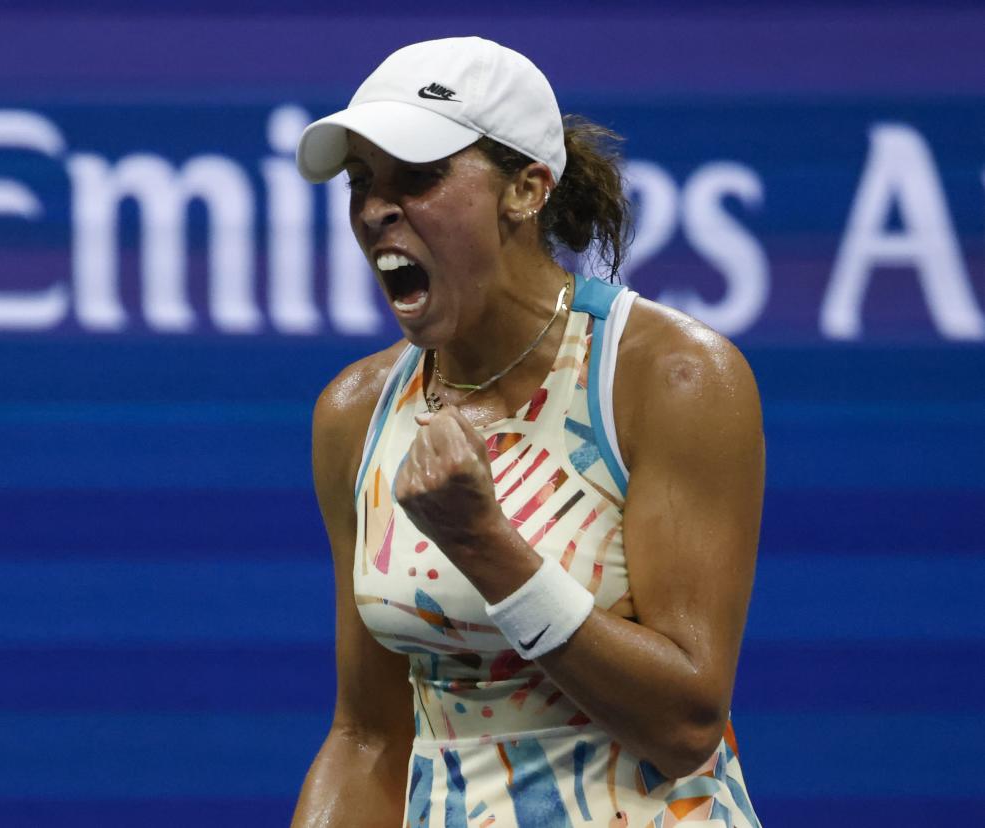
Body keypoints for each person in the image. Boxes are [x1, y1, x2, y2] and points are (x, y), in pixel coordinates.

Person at [290, 36, 764, 828]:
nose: (376, 209)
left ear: (527, 190)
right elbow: (368, 735)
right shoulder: (354, 412)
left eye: (420, 177)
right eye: (363, 183)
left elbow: (686, 725)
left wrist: (486, 545)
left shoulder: (670, 378)